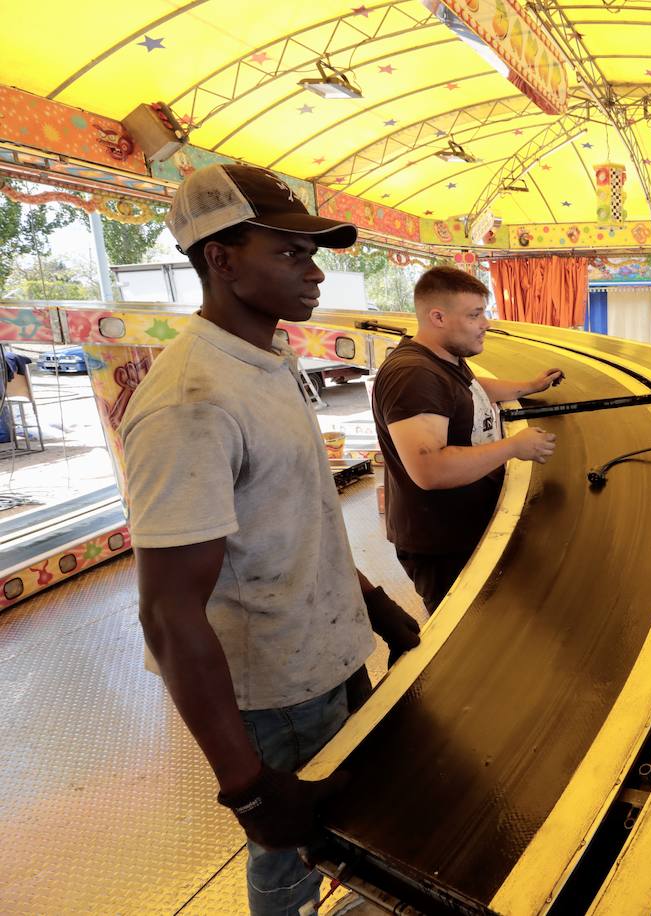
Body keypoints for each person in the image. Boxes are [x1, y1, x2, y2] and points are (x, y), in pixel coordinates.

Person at [121, 163, 418, 916]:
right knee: (288, 855)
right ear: (220, 259)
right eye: (288, 253)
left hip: (328, 652)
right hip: (276, 691)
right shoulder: (192, 400)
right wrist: (248, 791)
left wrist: (374, 612)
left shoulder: (268, 359)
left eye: (311, 253)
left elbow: (294, 519)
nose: (314, 273)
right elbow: (168, 615)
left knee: (346, 824)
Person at [372, 265, 560, 613]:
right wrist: (514, 447)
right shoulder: (413, 375)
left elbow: (467, 391)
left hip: (460, 527)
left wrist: (527, 387)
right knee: (470, 629)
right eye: (475, 315)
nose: (485, 323)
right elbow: (430, 469)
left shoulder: (443, 359)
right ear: (438, 317)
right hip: (443, 543)